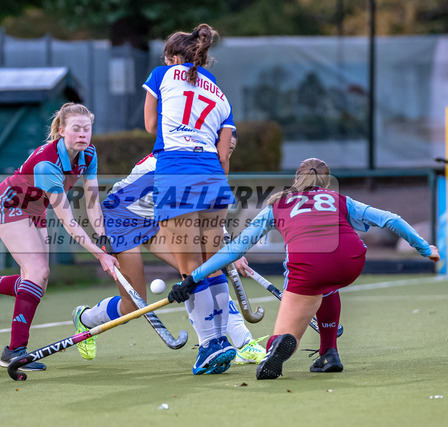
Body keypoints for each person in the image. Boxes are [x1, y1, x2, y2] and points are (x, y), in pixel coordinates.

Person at [169, 157, 440, 380]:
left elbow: (235, 249)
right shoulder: (339, 199)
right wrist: (424, 248)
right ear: (326, 182)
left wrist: (193, 278)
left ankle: (277, 346)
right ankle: (329, 353)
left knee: (286, 332)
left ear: (296, 179)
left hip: (309, 269)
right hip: (350, 261)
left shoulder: (276, 206)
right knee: (328, 284)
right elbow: (391, 219)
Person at [73, 136, 267, 364]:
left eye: (231, 149)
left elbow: (210, 214)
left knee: (203, 271)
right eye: (223, 147)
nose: (226, 154)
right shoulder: (182, 162)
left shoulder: (207, 164)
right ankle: (85, 319)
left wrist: (230, 251)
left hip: (159, 216)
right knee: (133, 304)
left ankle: (242, 343)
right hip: (123, 217)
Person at [0, 103, 119, 372]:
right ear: (62, 130)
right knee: (37, 272)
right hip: (8, 205)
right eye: (76, 128)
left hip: (35, 209)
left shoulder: (88, 154)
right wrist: (99, 255)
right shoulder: (49, 164)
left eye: (87, 129)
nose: (83, 134)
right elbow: (69, 222)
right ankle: (14, 352)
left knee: (39, 280)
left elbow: (92, 200)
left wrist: (102, 237)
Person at [141, 23, 238, 375]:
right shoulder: (221, 94)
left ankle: (210, 344)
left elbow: (151, 126)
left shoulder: (161, 75)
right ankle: (221, 340)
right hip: (213, 176)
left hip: (177, 172)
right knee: (213, 266)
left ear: (171, 57)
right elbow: (224, 155)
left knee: (190, 269)